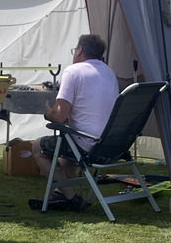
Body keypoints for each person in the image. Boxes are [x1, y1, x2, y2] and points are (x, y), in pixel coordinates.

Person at [35, 33, 119, 187]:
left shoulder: (73, 71)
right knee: (67, 150)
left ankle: (70, 195)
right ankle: (63, 193)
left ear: (79, 50)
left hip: (88, 145)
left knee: (37, 146)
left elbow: (59, 117)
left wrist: (48, 113)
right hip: (111, 144)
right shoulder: (109, 72)